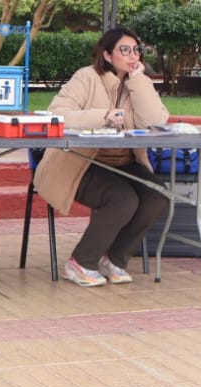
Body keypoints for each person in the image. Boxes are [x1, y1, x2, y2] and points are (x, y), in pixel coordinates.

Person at [33, 26, 171, 287]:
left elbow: (155, 121)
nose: (133, 56)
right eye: (125, 50)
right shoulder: (86, 77)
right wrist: (102, 116)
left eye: (136, 50)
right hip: (79, 164)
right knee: (122, 199)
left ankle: (114, 258)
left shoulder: (138, 83)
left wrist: (139, 80)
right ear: (107, 55)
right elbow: (56, 114)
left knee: (157, 194)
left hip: (124, 163)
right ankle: (80, 262)